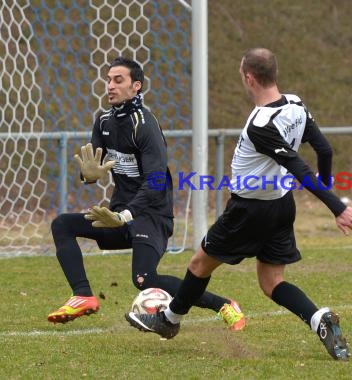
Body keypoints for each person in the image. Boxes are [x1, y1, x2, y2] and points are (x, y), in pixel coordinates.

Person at [125, 48, 352, 361]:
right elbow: (325, 149)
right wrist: (329, 182)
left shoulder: (260, 123)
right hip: (281, 206)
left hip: (249, 210)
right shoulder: (295, 104)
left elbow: (298, 166)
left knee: (199, 264)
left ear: (249, 78)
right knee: (272, 282)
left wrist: (338, 208)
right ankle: (319, 319)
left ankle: (168, 320)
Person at [48, 57, 246, 331]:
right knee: (62, 225)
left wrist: (126, 215)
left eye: (118, 80)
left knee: (144, 279)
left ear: (136, 86)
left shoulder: (145, 125)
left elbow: (154, 183)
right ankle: (83, 295)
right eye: (108, 80)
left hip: (151, 215)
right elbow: (92, 166)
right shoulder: (103, 121)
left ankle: (224, 305)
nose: (110, 86)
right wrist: (87, 176)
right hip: (118, 215)